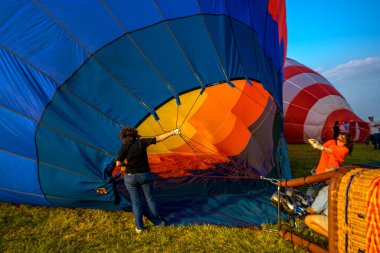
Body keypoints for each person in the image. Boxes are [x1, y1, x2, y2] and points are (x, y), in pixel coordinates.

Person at [116, 126, 181, 233]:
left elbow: (118, 163)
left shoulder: (125, 146)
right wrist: (173, 132)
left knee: (136, 202)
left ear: (124, 136)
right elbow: (158, 138)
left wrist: (125, 164)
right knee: (150, 199)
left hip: (130, 177)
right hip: (145, 175)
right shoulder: (142, 142)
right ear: (135, 134)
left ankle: (139, 228)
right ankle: (158, 222)